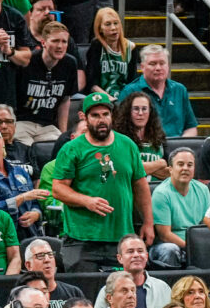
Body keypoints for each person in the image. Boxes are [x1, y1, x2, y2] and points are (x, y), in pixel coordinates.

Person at [52, 92, 154, 272]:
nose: (101, 120)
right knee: (82, 297)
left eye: (105, 114)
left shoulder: (128, 145)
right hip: (81, 238)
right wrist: (87, 201)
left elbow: (140, 185)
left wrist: (148, 222)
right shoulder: (71, 149)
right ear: (84, 117)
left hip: (121, 237)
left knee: (124, 294)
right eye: (95, 115)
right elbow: (58, 189)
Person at [0, 124, 46, 240]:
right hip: (2, 236)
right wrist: (21, 198)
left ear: (2, 142)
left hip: (31, 233)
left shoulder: (20, 171)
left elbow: (34, 202)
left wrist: (36, 214)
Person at [13, 21, 76, 145]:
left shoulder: (70, 64)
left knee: (61, 148)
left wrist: (63, 134)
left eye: (64, 42)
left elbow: (65, 100)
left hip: (48, 126)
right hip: (22, 122)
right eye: (55, 41)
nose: (60, 46)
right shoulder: (28, 62)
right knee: (24, 149)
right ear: (43, 43)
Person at [117, 45, 197, 139]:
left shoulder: (179, 90)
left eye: (162, 63)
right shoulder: (129, 91)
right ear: (142, 67)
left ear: (168, 66)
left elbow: (191, 128)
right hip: (145, 148)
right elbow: (120, 129)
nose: (158, 68)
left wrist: (181, 145)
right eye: (153, 64)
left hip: (176, 147)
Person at [90, 235, 172, 308]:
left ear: (146, 256)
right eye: (130, 251)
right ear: (119, 258)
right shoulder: (107, 291)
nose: (136, 255)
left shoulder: (163, 288)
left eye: (140, 251)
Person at [149, 147, 210, 268]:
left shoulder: (203, 190)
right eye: (180, 164)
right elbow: (165, 235)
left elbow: (206, 225)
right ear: (170, 169)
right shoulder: (162, 193)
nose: (185, 169)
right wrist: (192, 248)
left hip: (195, 243)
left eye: (190, 165)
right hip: (168, 245)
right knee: (170, 249)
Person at [85, 7, 140, 100]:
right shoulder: (97, 46)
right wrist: (109, 99)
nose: (113, 28)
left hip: (124, 98)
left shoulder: (131, 48)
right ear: (100, 29)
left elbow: (132, 82)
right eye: (108, 24)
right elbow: (92, 83)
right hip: (100, 97)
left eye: (116, 23)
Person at [113, 92, 168, 179]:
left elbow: (167, 173)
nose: (140, 113)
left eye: (144, 109)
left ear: (150, 111)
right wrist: (160, 163)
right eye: (136, 109)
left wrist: (144, 166)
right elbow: (129, 170)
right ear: (128, 112)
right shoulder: (119, 138)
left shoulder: (159, 137)